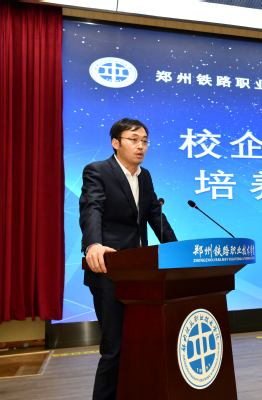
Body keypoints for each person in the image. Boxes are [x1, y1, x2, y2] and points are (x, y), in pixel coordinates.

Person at [79, 118, 177, 400]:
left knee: (142, 347)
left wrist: (176, 250)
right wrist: (93, 244)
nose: (140, 146)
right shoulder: (97, 171)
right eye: (133, 139)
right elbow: (92, 209)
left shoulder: (144, 177)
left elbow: (155, 216)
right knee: (115, 350)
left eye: (144, 140)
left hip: (141, 274)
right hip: (110, 270)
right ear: (116, 143)